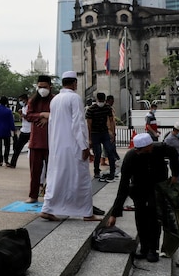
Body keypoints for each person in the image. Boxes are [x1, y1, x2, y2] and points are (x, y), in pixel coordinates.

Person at [106, 133, 179, 263]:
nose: (139, 152)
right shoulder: (130, 157)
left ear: (149, 146)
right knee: (140, 217)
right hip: (139, 188)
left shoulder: (159, 148)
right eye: (137, 150)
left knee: (153, 217)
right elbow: (123, 185)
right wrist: (115, 213)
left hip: (157, 186)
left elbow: (174, 153)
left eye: (143, 150)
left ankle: (153, 249)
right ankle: (144, 247)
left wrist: (175, 174)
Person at [40, 71, 100, 222]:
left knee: (56, 176)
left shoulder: (55, 100)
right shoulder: (74, 98)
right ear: (74, 83)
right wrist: (84, 146)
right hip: (73, 146)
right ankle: (87, 213)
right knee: (81, 177)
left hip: (57, 146)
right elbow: (78, 124)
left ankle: (48, 208)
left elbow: (52, 124)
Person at [24, 75, 54, 203]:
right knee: (35, 172)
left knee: (52, 172)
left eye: (45, 87)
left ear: (50, 87)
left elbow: (59, 116)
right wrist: (42, 115)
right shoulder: (33, 101)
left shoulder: (55, 100)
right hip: (35, 142)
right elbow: (28, 116)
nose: (42, 89)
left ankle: (50, 196)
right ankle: (33, 195)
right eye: (40, 87)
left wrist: (49, 117)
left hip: (51, 142)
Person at [86, 92, 116, 181]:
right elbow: (89, 125)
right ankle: (96, 171)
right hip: (95, 133)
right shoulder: (91, 109)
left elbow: (111, 120)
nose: (101, 102)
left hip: (104, 132)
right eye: (101, 101)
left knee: (110, 151)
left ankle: (112, 171)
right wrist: (89, 138)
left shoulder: (107, 108)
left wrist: (113, 133)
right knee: (97, 153)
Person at [9, 93, 31, 168]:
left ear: (25, 99)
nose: (20, 102)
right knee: (17, 148)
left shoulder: (30, 107)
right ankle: (13, 163)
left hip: (30, 131)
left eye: (21, 100)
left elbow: (31, 118)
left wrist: (22, 115)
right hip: (24, 130)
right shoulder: (24, 108)